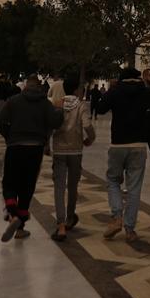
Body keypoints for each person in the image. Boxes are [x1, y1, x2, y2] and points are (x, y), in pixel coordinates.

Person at [0, 75, 62, 241]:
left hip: (15, 146)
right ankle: (20, 227)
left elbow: (0, 120)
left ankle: (12, 215)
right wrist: (59, 110)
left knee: (10, 181)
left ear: (25, 86)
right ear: (39, 87)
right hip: (35, 148)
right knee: (27, 184)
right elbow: (55, 122)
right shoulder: (45, 103)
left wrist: (9, 136)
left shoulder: (14, 100)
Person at [98, 67, 150, 242]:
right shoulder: (145, 92)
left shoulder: (116, 91)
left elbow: (101, 108)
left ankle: (116, 216)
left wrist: (112, 90)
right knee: (134, 188)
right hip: (139, 145)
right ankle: (130, 229)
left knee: (113, 181)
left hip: (118, 143)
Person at [48, 71, 94, 240]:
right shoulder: (81, 106)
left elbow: (50, 125)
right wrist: (90, 139)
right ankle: (70, 217)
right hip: (75, 151)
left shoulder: (57, 104)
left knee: (59, 187)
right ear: (76, 90)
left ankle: (60, 226)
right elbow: (88, 125)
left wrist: (47, 144)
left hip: (59, 150)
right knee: (73, 186)